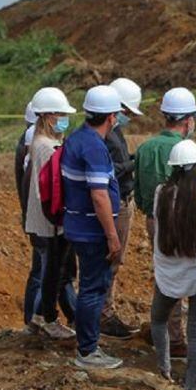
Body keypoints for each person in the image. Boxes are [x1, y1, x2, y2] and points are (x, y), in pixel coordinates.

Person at [135, 87, 196, 357]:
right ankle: (179, 338)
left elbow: (138, 191)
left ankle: (166, 332)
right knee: (194, 273)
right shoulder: (186, 149)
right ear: (187, 121)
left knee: (165, 275)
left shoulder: (146, 147)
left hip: (155, 221)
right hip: (186, 220)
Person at [61, 85, 124, 369]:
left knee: (90, 286)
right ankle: (87, 350)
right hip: (91, 230)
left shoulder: (76, 138)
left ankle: (88, 341)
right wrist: (112, 235)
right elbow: (99, 196)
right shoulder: (94, 147)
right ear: (111, 117)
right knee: (93, 288)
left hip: (77, 223)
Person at [150, 140, 196, 390]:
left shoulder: (161, 196)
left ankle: (164, 369)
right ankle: (191, 385)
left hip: (167, 272)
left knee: (158, 319)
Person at [24, 88, 78, 339]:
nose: (63, 118)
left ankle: (38, 315)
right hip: (50, 221)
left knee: (50, 269)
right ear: (47, 116)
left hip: (44, 218)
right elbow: (51, 187)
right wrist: (58, 217)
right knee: (52, 271)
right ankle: (48, 318)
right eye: (59, 114)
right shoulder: (46, 146)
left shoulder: (41, 142)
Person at [99, 77, 144, 339]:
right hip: (115, 201)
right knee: (111, 258)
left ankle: (106, 310)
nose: (126, 117)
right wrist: (132, 164)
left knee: (114, 260)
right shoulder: (106, 133)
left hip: (123, 198)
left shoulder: (115, 131)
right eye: (125, 112)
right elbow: (109, 169)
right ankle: (104, 314)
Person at [17, 101, 42, 328]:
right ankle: (35, 320)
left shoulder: (25, 143)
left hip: (33, 217)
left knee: (40, 271)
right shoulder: (31, 148)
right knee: (43, 271)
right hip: (39, 220)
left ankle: (33, 320)